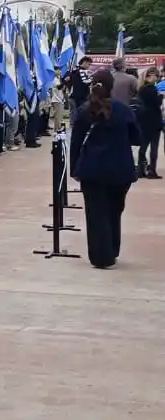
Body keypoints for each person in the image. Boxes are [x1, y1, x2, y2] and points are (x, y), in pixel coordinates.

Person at [70, 67, 141, 269]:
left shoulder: (85, 111)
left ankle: (101, 256)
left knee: (96, 213)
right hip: (120, 169)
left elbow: (76, 143)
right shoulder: (124, 110)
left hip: (92, 169)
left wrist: (74, 168)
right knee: (114, 211)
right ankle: (113, 249)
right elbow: (137, 138)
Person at [136, 68, 163, 179]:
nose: (157, 79)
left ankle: (140, 169)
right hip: (154, 120)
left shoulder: (141, 88)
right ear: (151, 75)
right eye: (157, 76)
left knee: (143, 146)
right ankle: (152, 170)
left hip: (143, 120)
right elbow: (157, 103)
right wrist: (161, 96)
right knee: (154, 147)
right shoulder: (152, 89)